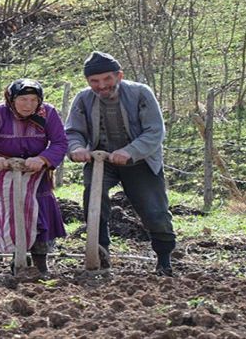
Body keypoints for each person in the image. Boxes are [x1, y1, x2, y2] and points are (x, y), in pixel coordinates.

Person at [65, 51, 176, 276]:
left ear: (119, 76)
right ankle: (100, 249)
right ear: (88, 81)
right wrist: (76, 148)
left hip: (139, 160)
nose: (102, 85)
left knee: (154, 210)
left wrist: (129, 151)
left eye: (107, 79)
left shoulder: (141, 93)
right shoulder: (83, 98)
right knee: (93, 198)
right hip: (100, 160)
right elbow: (73, 131)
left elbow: (155, 131)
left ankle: (164, 260)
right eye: (94, 81)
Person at [0, 79, 68, 275]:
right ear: (12, 99)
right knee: (14, 215)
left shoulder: (47, 113)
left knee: (41, 214)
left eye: (34, 100)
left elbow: (60, 142)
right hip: (3, 171)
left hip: (35, 172)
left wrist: (43, 158)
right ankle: (19, 260)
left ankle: (41, 265)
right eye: (23, 99)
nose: (29, 105)